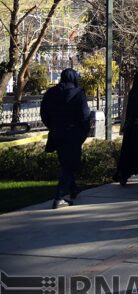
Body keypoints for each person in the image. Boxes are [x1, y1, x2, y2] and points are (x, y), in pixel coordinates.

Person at [41, 69, 91, 209]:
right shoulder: (78, 93)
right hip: (73, 134)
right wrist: (83, 131)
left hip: (57, 133)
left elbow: (44, 113)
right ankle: (59, 197)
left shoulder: (51, 93)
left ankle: (73, 189)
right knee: (70, 165)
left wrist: (53, 126)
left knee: (65, 162)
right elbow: (84, 115)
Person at [115, 70, 138, 188]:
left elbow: (129, 110)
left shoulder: (133, 92)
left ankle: (124, 175)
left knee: (129, 153)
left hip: (132, 126)